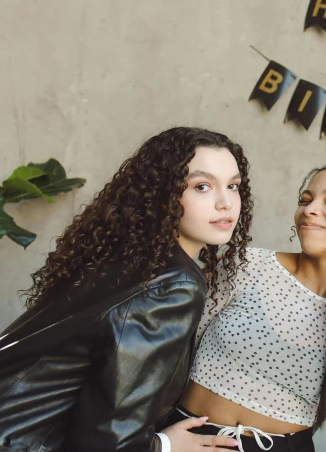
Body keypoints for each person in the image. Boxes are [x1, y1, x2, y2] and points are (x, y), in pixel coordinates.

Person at [0, 127, 252, 452]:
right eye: (202, 186)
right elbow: (107, 439)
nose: (226, 202)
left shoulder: (120, 255)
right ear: (163, 197)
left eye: (233, 186)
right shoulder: (174, 284)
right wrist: (163, 444)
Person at [162, 162, 326, 451]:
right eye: (305, 199)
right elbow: (179, 346)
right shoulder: (247, 263)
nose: (310, 209)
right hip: (187, 439)